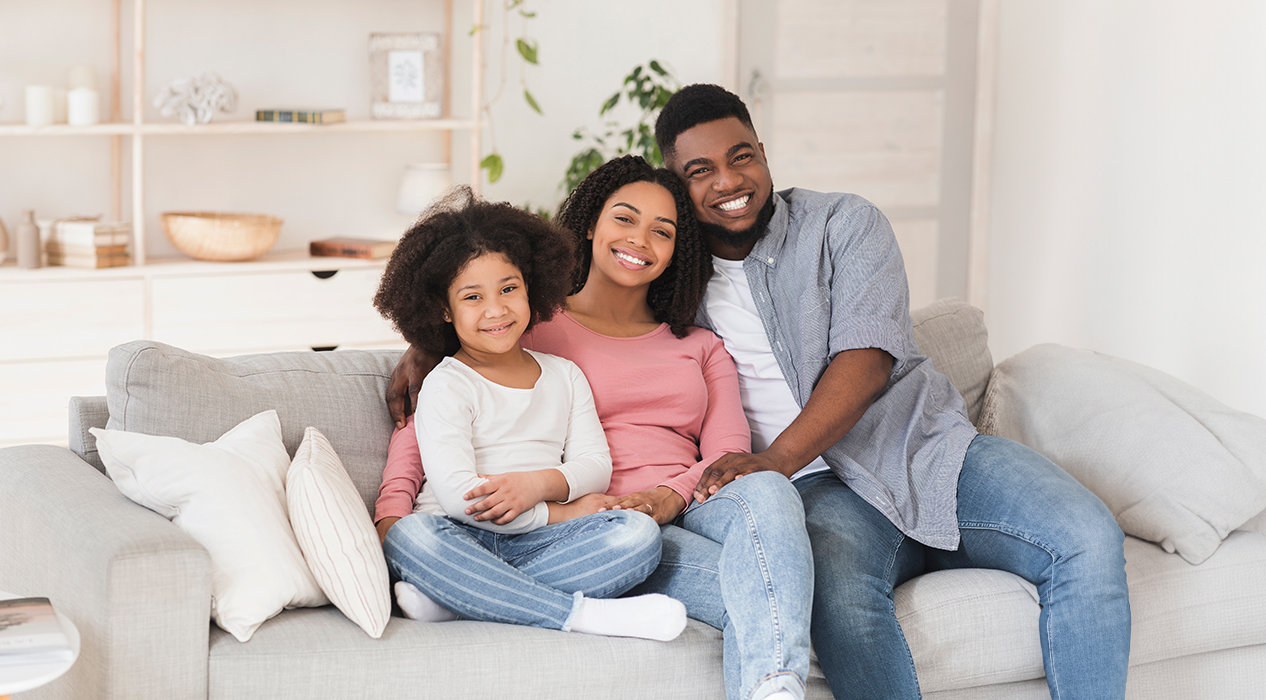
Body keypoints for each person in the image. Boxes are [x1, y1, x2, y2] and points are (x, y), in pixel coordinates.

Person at [653, 83, 1132, 700]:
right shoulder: (671, 281)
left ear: (764, 153)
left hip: (924, 446)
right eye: (700, 171)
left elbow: (867, 361)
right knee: (842, 611)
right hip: (817, 493)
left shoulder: (843, 223)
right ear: (675, 182)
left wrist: (772, 461)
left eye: (741, 156)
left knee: (1087, 537)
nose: (727, 180)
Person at [380, 157, 812, 700]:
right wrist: (392, 514)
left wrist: (666, 497)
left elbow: (729, 455)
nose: (640, 239)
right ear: (590, 223)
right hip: (586, 524)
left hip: (684, 504)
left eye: (663, 231)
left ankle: (774, 685)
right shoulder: (526, 322)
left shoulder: (700, 345)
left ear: (680, 249)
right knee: (757, 597)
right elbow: (431, 419)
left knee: (768, 490)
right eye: (625, 219)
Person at [371, 187, 689, 643]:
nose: (496, 310)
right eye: (472, 297)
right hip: (459, 534)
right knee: (411, 539)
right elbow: (463, 500)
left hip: (541, 547)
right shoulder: (447, 382)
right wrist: (559, 513)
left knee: (637, 537)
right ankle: (581, 616)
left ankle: (460, 600)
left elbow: (595, 467)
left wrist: (535, 485)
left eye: (508, 289)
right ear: (443, 309)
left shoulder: (565, 376)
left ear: (531, 287)